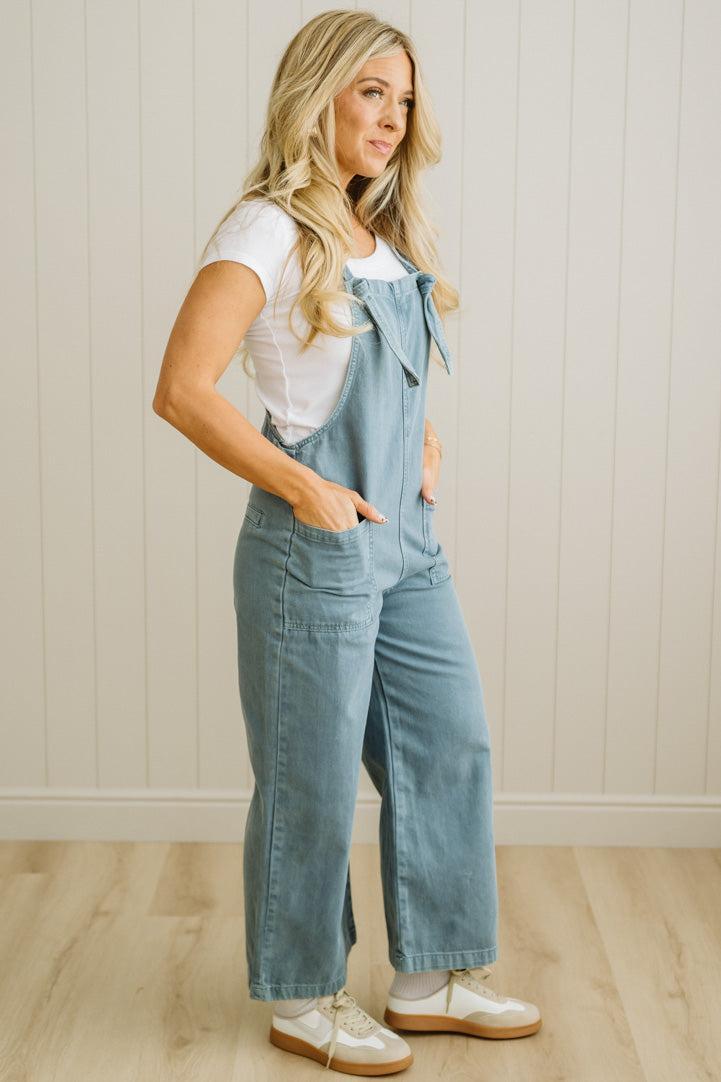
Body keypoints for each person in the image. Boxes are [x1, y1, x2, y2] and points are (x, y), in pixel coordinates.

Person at [153, 8, 541, 1076]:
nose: (391, 117)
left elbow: (372, 380)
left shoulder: (385, 234)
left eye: (403, 98)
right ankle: (302, 992)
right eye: (371, 91)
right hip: (310, 549)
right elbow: (183, 390)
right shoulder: (266, 227)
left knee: (446, 742)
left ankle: (433, 975)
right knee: (310, 775)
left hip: (406, 542)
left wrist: (422, 439)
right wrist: (305, 488)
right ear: (315, 94)